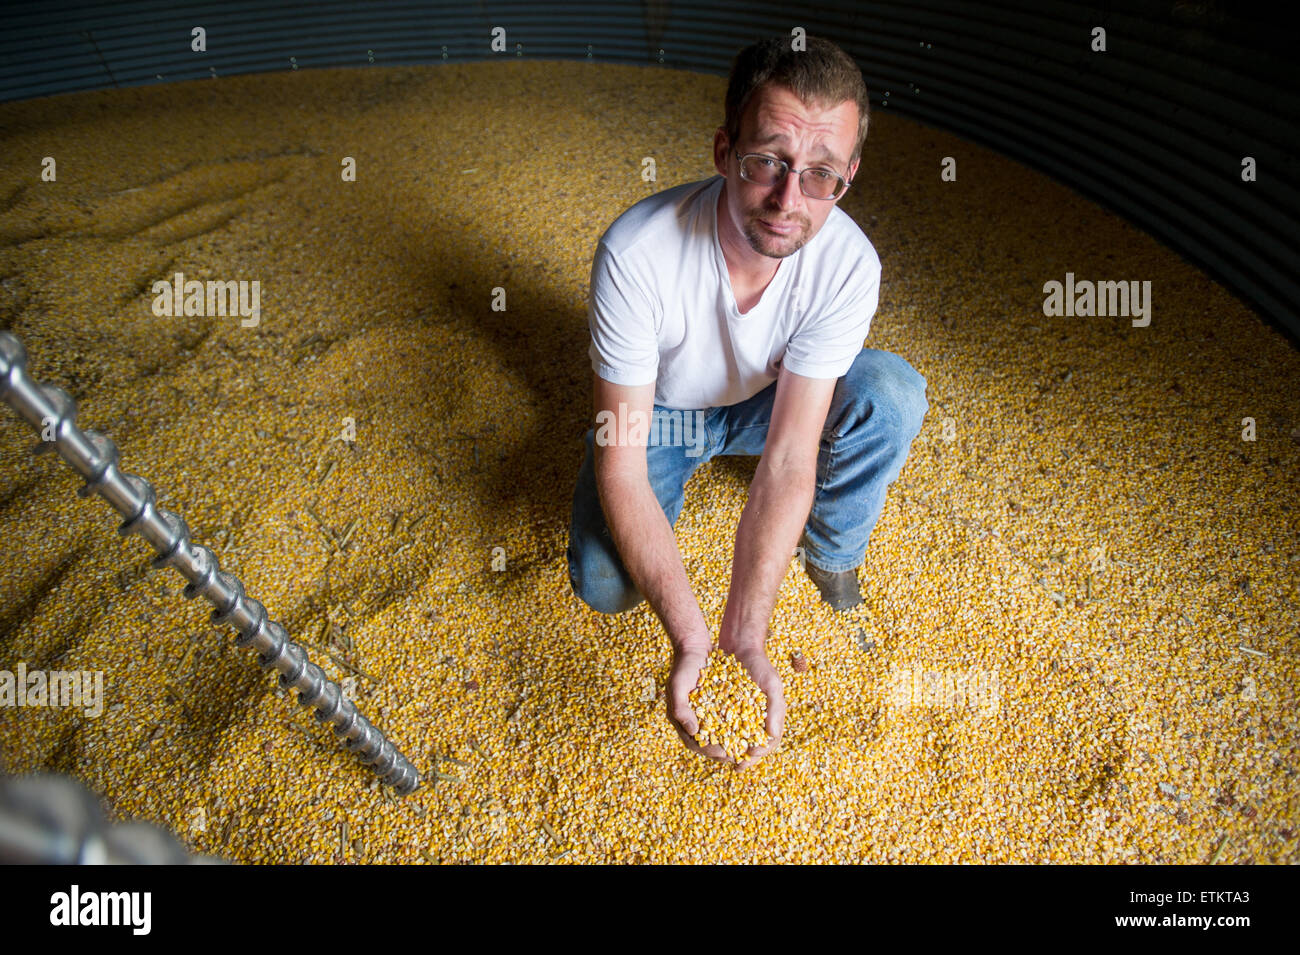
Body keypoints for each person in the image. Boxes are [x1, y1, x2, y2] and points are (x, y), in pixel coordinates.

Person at [566, 35, 929, 767]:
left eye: (820, 175)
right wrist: (693, 634)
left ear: (847, 176)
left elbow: (793, 452)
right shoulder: (637, 253)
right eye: (767, 161)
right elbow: (623, 467)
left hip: (772, 402)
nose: (789, 199)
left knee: (891, 395)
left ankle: (830, 552)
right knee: (603, 581)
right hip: (662, 413)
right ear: (724, 149)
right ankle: (710, 480)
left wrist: (745, 632)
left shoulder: (849, 264)